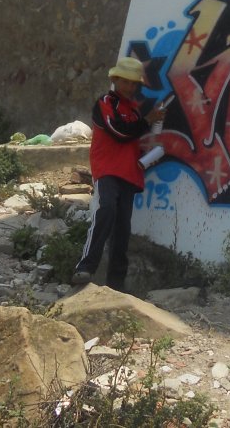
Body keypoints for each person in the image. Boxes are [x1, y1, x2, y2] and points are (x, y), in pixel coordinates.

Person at [71, 56, 166, 291]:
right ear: (115, 80)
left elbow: (134, 139)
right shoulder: (105, 103)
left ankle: (116, 283)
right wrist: (147, 121)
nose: (130, 88)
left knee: (122, 229)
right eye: (126, 82)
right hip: (107, 170)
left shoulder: (133, 111)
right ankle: (85, 266)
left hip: (129, 173)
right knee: (106, 211)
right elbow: (119, 132)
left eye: (134, 84)